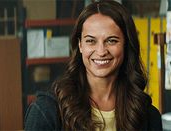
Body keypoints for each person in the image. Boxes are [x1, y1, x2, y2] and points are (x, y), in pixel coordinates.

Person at [24, 0, 163, 130]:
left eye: (112, 40)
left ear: (127, 45)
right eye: (91, 41)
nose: (101, 51)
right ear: (80, 45)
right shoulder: (46, 111)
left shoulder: (148, 115)